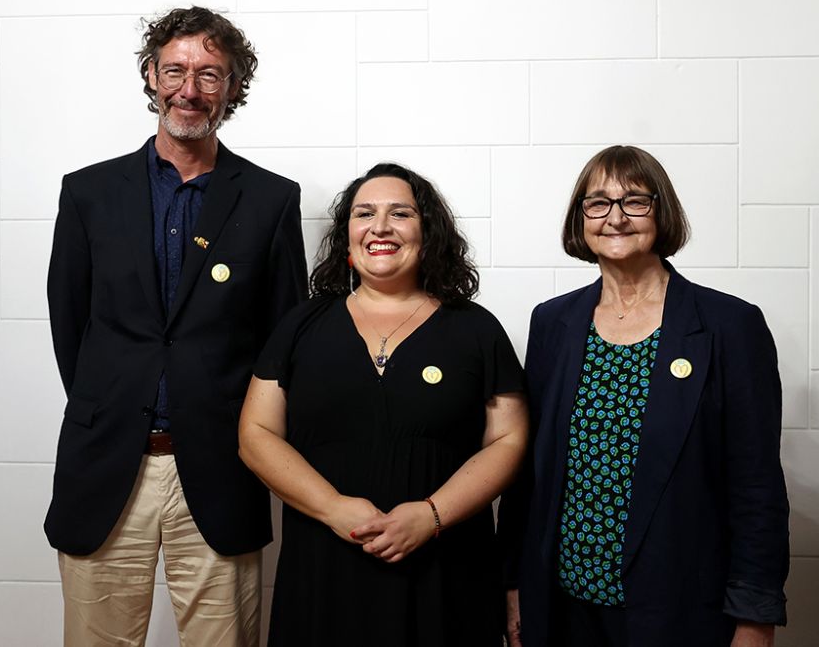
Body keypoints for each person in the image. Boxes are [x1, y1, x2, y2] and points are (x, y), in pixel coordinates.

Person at [45, 6, 307, 646]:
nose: (190, 89)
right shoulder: (87, 193)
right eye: (175, 71)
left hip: (222, 469)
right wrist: (112, 405)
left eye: (209, 74)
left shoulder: (272, 200)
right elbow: (69, 322)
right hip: (107, 463)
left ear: (232, 87)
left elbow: (283, 342)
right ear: (151, 76)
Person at [499, 146, 789, 647]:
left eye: (634, 200)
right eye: (598, 203)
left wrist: (754, 619)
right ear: (581, 218)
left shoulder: (729, 326)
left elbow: (756, 485)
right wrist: (513, 583)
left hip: (679, 611)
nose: (615, 217)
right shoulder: (552, 323)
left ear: (661, 211)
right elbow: (529, 474)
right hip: (564, 609)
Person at [238, 162, 529, 646]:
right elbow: (255, 434)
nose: (380, 227)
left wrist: (432, 515)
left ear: (428, 232)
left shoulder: (476, 329)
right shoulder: (300, 326)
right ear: (346, 236)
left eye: (400, 213)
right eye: (364, 213)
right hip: (325, 570)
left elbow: (509, 439)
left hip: (446, 573)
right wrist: (333, 508)